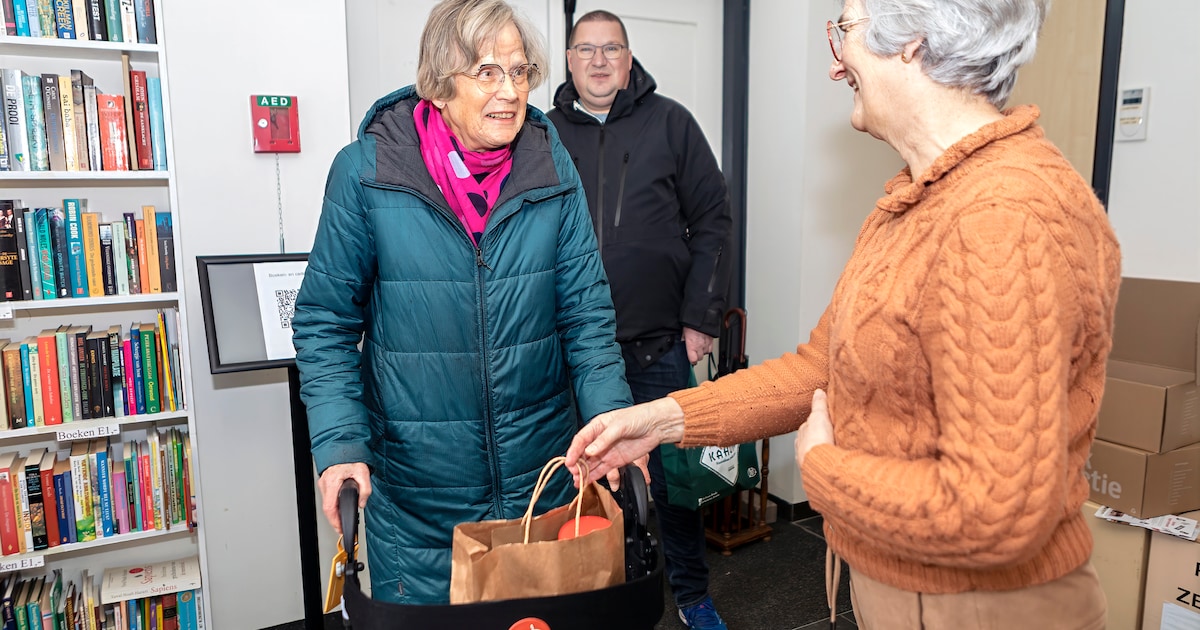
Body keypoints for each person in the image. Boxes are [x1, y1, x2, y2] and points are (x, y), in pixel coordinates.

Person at [566, 0, 1121, 628]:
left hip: (975, 608)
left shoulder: (1002, 220)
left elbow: (995, 511)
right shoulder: (916, 201)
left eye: (845, 31)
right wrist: (664, 420)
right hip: (902, 586)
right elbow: (820, 368)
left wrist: (823, 469)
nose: (835, 64)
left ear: (911, 41)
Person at [291, 0, 632, 605]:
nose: (509, 91)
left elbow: (586, 311)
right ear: (440, 85)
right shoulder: (367, 174)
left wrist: (609, 422)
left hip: (540, 486)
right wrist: (340, 445)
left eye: (520, 72)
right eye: (487, 72)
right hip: (418, 501)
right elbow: (325, 322)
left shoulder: (552, 168)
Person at [546, 10, 733, 630]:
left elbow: (713, 219)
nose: (599, 61)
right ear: (569, 60)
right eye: (586, 50)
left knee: (674, 485)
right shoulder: (538, 136)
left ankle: (693, 595)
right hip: (570, 351)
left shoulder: (672, 123)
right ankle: (591, 601)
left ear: (629, 60)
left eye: (612, 50)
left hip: (659, 348)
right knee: (580, 482)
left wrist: (700, 316)